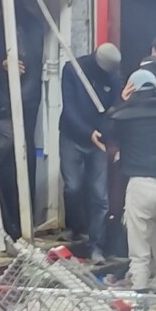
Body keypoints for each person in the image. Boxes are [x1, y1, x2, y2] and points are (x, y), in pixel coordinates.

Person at [109, 67, 156, 291]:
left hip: (142, 185)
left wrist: (121, 101)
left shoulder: (126, 116)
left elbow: (107, 131)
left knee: (140, 253)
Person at [58, 42, 121, 262]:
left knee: (100, 196)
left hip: (99, 142)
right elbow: (69, 109)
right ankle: (75, 226)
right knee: (73, 187)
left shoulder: (113, 77)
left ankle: (96, 247)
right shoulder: (72, 70)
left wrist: (106, 134)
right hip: (72, 135)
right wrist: (88, 133)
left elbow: (114, 109)